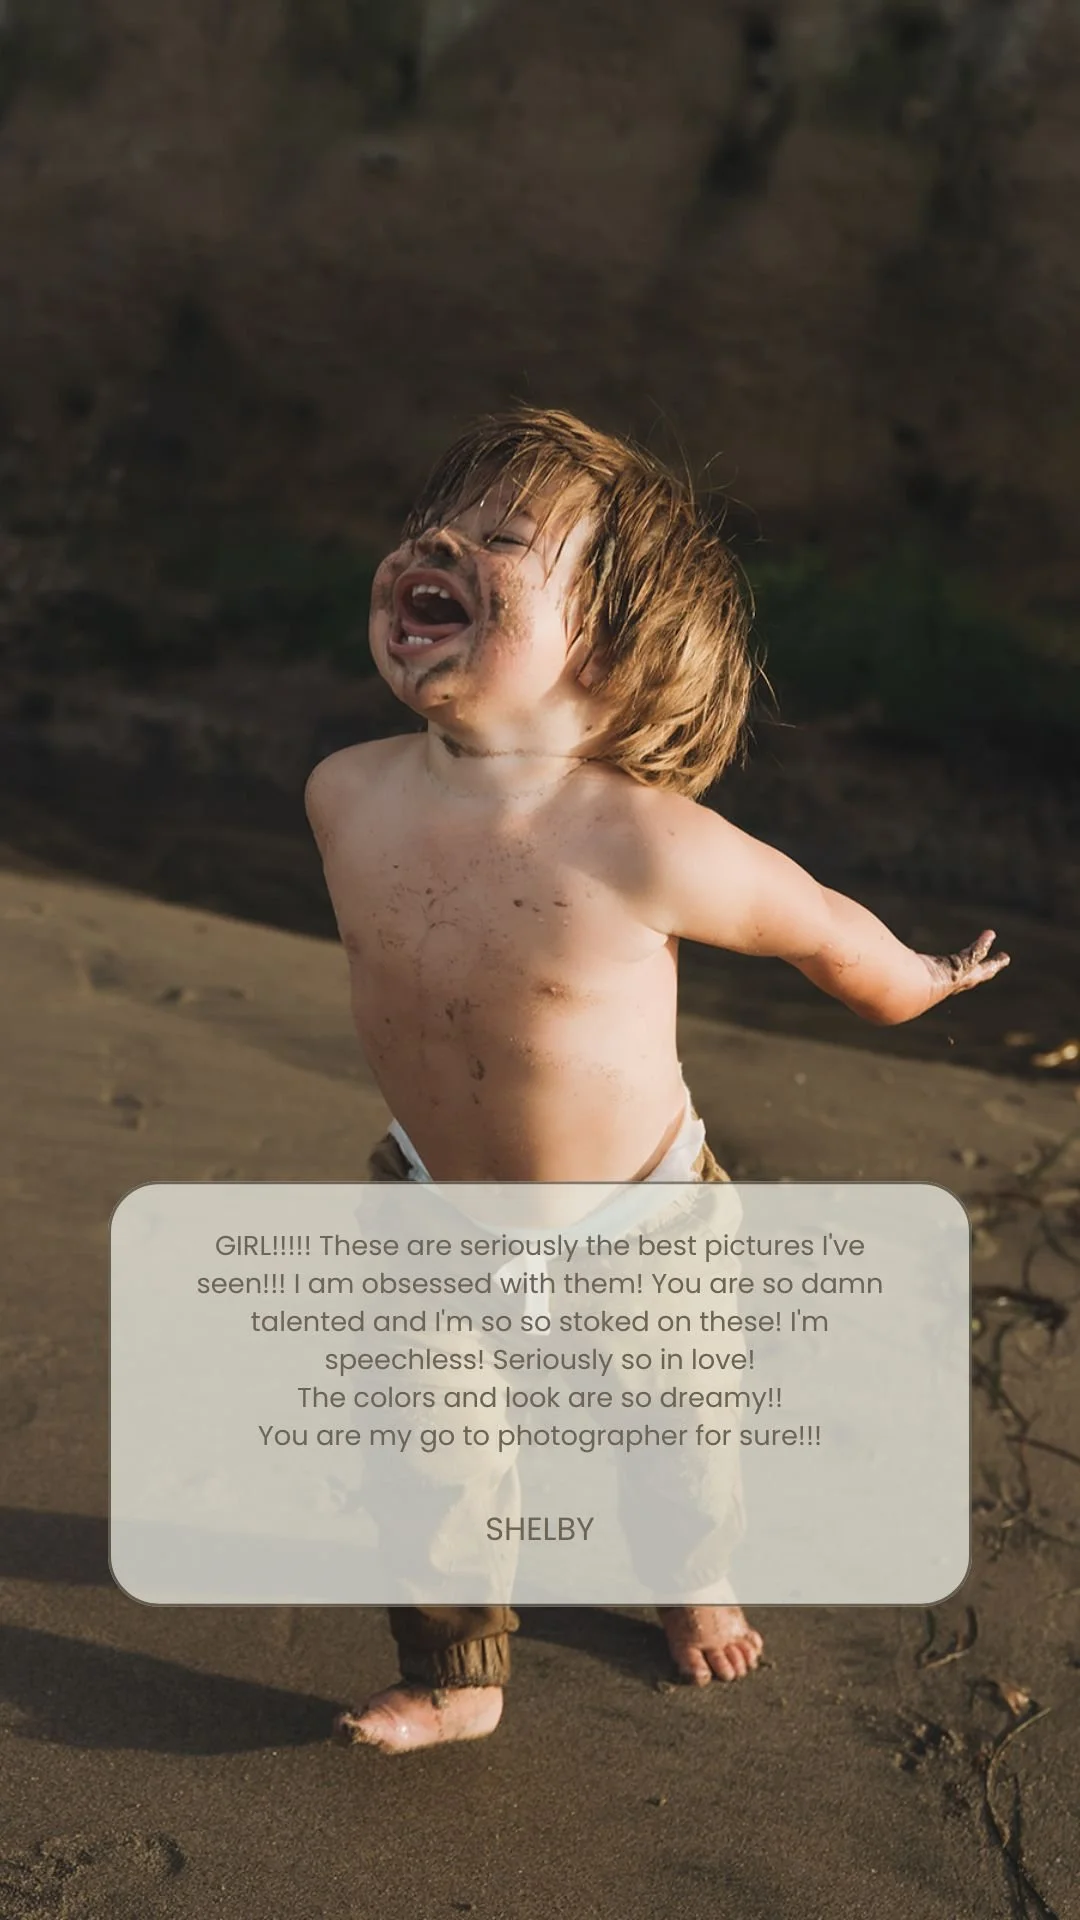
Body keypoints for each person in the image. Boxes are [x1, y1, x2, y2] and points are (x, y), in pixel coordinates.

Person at [305, 404, 1009, 1753]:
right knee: (429, 1449)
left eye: (504, 541)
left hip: (639, 1219)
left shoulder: (644, 843)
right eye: (434, 524)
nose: (438, 545)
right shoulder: (346, 791)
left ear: (613, 656)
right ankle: (457, 1672)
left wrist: (917, 978)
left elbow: (817, 925)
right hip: (433, 1199)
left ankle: (690, 1576)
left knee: (675, 1431)